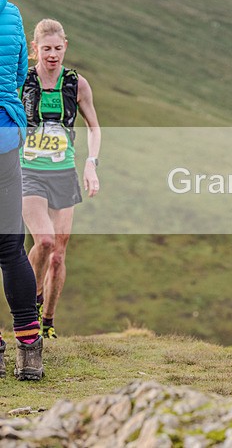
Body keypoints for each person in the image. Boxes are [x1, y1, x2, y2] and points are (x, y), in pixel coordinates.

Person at [20, 19, 101, 339]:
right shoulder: (22, 80)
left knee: (58, 255)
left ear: (65, 47)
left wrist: (91, 164)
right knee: (45, 240)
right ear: (35, 49)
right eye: (45, 49)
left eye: (57, 48)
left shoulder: (77, 84)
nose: (52, 55)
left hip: (64, 173)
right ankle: (31, 303)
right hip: (29, 172)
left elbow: (94, 127)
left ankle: (48, 322)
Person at [0, 0, 44, 380]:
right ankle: (30, 348)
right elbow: (16, 75)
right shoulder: (11, 13)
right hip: (6, 134)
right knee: (11, 247)